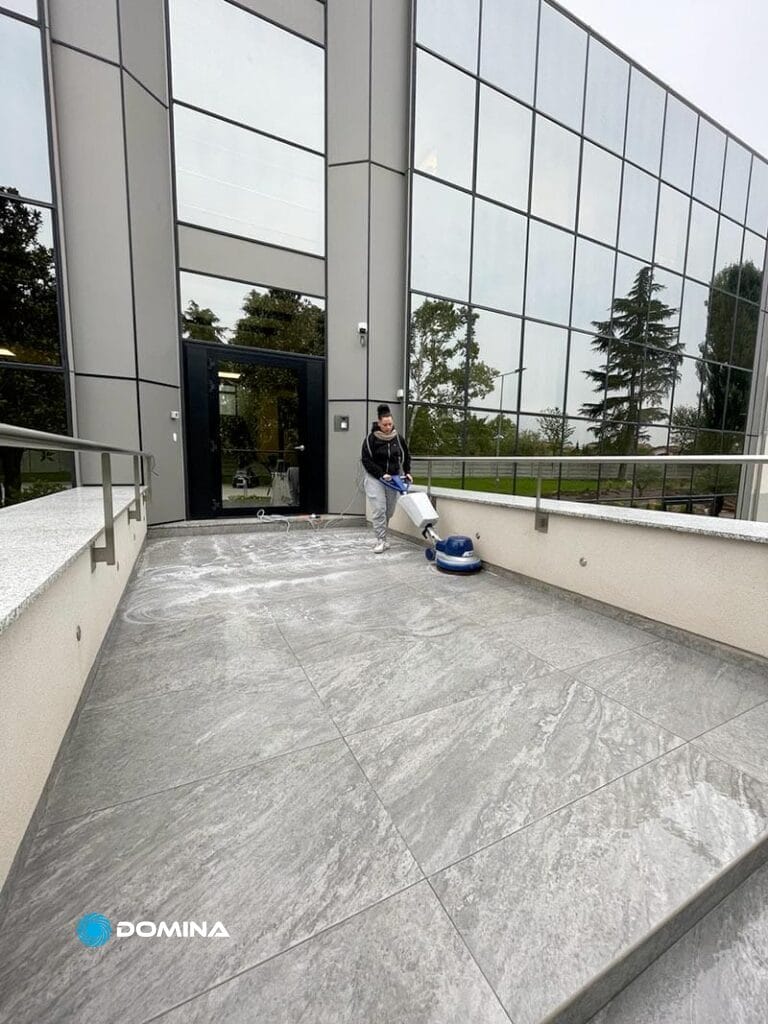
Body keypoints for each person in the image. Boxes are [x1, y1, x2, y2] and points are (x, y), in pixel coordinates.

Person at [361, 404, 412, 553]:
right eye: (385, 425)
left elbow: (406, 456)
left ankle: (384, 538)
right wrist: (381, 474)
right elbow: (366, 460)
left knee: (389, 511)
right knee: (379, 509)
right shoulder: (371, 440)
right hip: (375, 478)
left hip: (393, 479)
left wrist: (407, 471)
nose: (388, 427)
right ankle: (380, 540)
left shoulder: (398, 438)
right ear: (378, 423)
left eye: (390, 424)